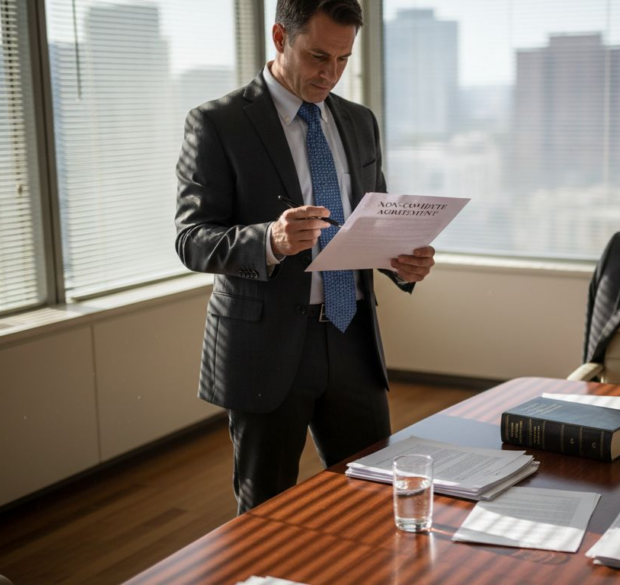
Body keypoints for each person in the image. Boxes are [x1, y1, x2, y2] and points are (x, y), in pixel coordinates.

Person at [175, 0, 435, 514]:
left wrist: (401, 261)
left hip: (352, 337)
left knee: (373, 499)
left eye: (342, 60)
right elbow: (192, 239)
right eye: (318, 56)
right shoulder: (217, 123)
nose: (330, 74)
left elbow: (370, 221)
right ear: (279, 37)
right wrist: (269, 239)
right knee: (267, 513)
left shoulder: (359, 121)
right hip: (265, 348)